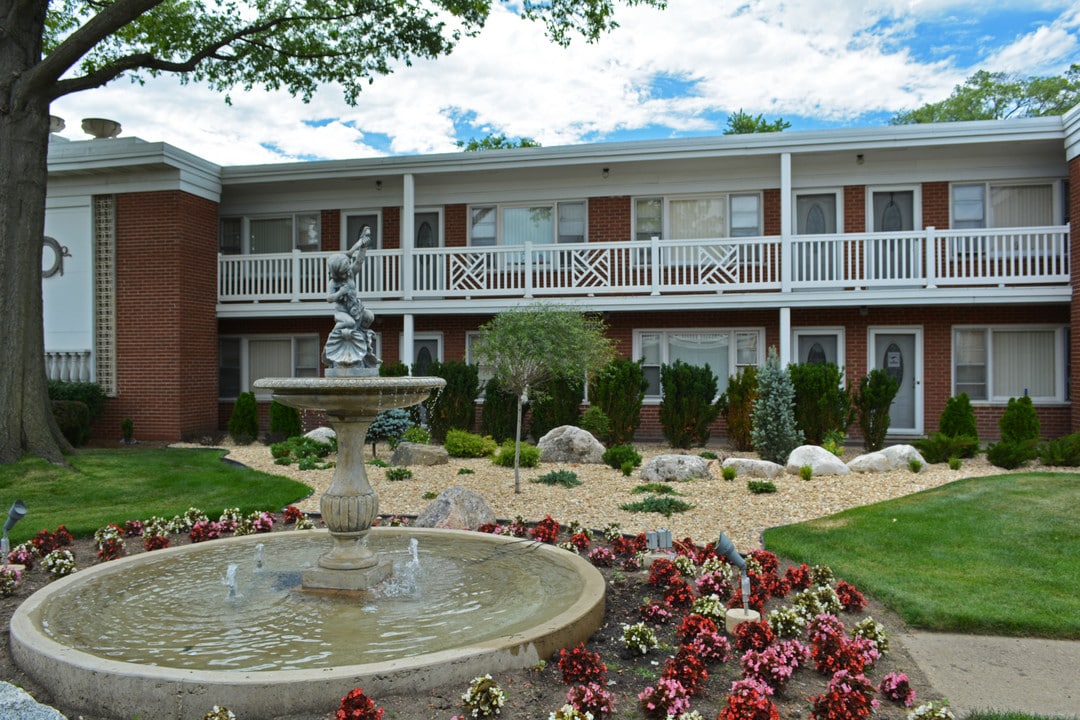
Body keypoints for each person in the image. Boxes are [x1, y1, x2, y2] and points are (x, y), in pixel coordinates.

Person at [324, 226, 379, 369]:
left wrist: (363, 248)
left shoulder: (350, 275)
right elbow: (329, 298)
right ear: (336, 274)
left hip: (356, 309)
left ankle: (361, 339)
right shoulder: (334, 283)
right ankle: (336, 337)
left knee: (369, 317)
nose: (348, 272)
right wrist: (340, 292)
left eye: (348, 269)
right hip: (342, 313)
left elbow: (359, 262)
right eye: (344, 272)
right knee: (348, 323)